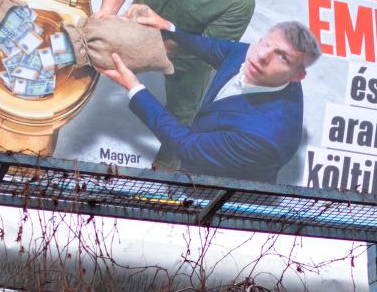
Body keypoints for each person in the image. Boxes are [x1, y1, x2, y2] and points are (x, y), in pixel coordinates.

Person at [98, 0, 256, 166]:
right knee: (84, 45)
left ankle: (164, 179)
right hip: (133, 28)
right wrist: (105, 17)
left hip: (189, 56)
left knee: (182, 122)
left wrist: (136, 50)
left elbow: (207, 48)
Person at [96, 21, 321, 183]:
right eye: (266, 43)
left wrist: (134, 87)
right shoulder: (254, 54)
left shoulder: (265, 137)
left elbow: (186, 146)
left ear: (297, 76)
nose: (262, 56)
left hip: (215, 197)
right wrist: (171, 28)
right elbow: (217, 49)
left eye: (283, 57)